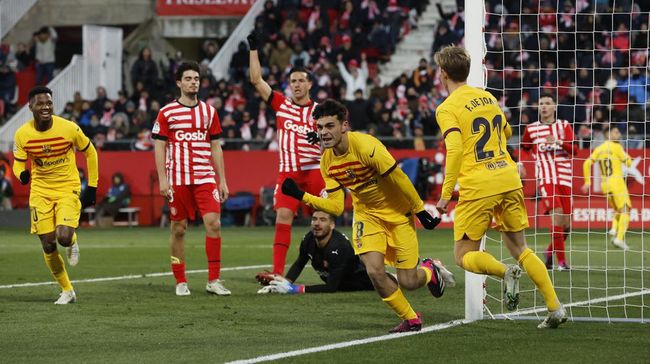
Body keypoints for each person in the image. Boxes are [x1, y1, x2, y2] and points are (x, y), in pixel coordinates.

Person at [280, 99, 455, 333]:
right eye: (320, 127)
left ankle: (430, 270)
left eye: (330, 126)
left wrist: (419, 210)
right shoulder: (327, 162)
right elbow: (336, 207)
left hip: (397, 213)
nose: (324, 132)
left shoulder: (366, 146)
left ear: (344, 125)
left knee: (409, 281)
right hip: (367, 215)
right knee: (373, 270)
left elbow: (399, 178)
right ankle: (411, 318)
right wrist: (301, 195)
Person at [433, 46, 566, 329]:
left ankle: (505, 272)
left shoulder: (447, 108)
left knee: (463, 255)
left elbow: (454, 150)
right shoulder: (488, 97)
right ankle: (554, 307)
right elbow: (506, 132)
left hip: (479, 184)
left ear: (443, 73)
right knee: (521, 248)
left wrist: (445, 195)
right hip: (508, 177)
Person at [248, 30, 325, 278]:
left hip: (315, 171)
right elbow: (256, 80)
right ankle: (279, 273)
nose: (297, 85)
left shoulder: (321, 111)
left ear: (310, 84)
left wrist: (322, 138)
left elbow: (341, 139)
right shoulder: (280, 104)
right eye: (293, 81)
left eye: (301, 81)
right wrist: (253, 50)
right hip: (289, 173)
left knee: (325, 217)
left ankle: (337, 265)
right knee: (282, 216)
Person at [12, 86, 98, 304]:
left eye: (49, 103)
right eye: (40, 103)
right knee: (48, 244)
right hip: (40, 191)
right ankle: (67, 290)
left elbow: (90, 152)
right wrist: (21, 174)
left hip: (67, 188)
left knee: (64, 237)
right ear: (30, 106)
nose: (46, 107)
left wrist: (93, 186)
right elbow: (18, 162)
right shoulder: (22, 134)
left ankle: (73, 240)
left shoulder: (68, 128)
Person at [152, 61, 230, 297]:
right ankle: (180, 280)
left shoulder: (209, 112)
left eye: (196, 78)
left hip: (205, 177)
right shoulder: (167, 112)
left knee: (214, 224)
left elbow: (216, 146)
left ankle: (213, 280)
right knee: (178, 229)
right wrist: (163, 180)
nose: (193, 82)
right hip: (178, 179)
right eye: (188, 78)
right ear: (179, 83)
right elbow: (159, 147)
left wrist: (222, 180)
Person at [257, 210, 374, 294]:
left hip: (365, 283)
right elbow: (299, 263)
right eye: (314, 219)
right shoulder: (308, 239)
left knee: (387, 281)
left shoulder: (339, 247)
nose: (317, 223)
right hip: (341, 284)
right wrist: (282, 282)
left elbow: (331, 288)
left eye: (323, 220)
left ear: (332, 225)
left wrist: (294, 289)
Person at [521, 93, 576, 270]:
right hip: (546, 179)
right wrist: (521, 164)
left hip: (565, 179)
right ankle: (562, 263)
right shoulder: (531, 129)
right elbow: (524, 148)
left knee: (566, 226)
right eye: (541, 103)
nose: (543, 106)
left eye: (547, 103)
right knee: (557, 214)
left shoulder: (564, 125)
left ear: (554, 107)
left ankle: (550, 251)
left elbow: (574, 150)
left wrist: (559, 142)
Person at [582, 126, 631, 250]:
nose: (618, 133)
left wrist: (588, 181)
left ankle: (614, 229)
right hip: (617, 182)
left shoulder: (599, 148)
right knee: (626, 209)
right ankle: (619, 239)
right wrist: (624, 153)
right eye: (616, 132)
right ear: (608, 134)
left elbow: (586, 163)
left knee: (617, 210)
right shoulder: (617, 146)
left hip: (605, 184)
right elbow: (628, 163)